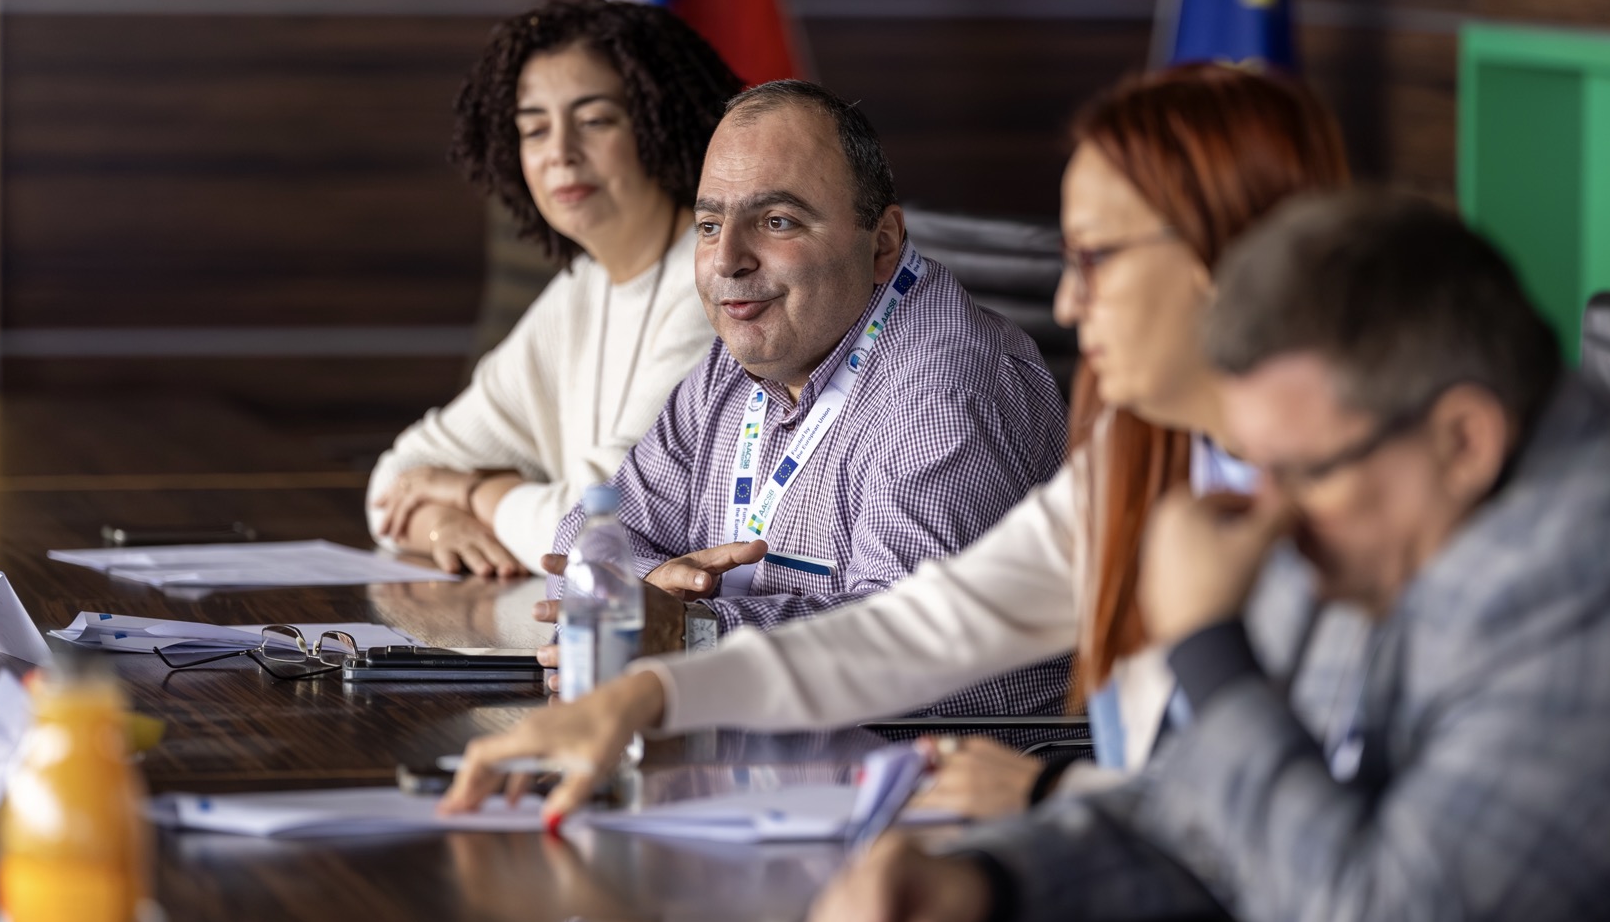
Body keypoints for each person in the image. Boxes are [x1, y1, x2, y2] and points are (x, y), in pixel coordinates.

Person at [809, 193, 1610, 922]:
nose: (1266, 513)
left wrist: (1207, 647)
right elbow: (1219, 823)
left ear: (1461, 439)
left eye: (1298, 472)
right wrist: (988, 880)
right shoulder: (1376, 514)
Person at [442, 63, 1350, 817]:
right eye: (712, 223)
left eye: (1096, 259)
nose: (1068, 305)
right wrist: (652, 684)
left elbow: (1337, 876)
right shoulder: (1140, 454)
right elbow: (923, 626)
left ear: (1222, 259)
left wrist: (1053, 796)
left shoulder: (1369, 501)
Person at [488, 76, 1071, 723]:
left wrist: (690, 631)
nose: (728, 259)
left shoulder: (947, 392)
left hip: (928, 789)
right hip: (754, 767)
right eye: (710, 224)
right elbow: (583, 543)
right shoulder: (736, 361)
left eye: (776, 220)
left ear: (882, 244)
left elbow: (905, 662)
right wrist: (646, 603)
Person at [367, 0, 739, 576]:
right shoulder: (580, 288)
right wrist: (439, 523)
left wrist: (471, 495)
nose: (560, 153)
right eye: (535, 129)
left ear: (660, 122)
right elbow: (397, 476)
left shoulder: (720, 281)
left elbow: (605, 529)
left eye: (594, 121)